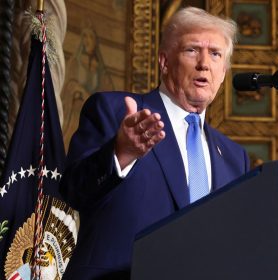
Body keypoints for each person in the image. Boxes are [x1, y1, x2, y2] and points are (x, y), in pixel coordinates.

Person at [59, 7, 250, 280]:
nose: (204, 63)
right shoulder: (116, 111)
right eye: (192, 50)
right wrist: (121, 153)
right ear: (164, 62)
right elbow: (73, 191)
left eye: (216, 54)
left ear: (223, 72)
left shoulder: (234, 157)